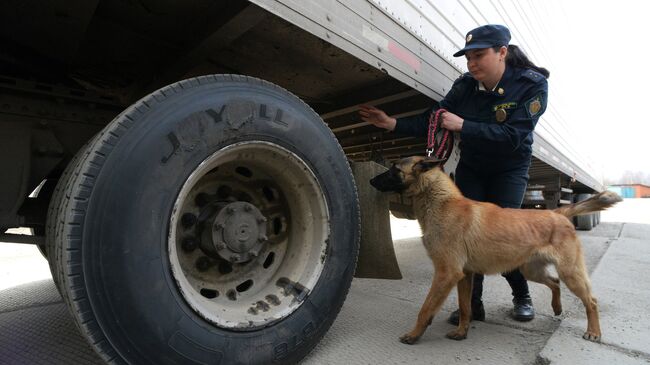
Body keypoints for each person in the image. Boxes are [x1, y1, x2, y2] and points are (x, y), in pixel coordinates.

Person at [359, 24, 549, 324]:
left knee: (503, 236)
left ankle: (521, 295)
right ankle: (472, 308)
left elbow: (515, 134)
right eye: (468, 57)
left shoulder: (531, 84)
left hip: (509, 169)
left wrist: (464, 126)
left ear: (502, 52)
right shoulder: (465, 86)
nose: (472, 64)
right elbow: (434, 120)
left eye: (479, 55)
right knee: (464, 239)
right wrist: (391, 123)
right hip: (473, 166)